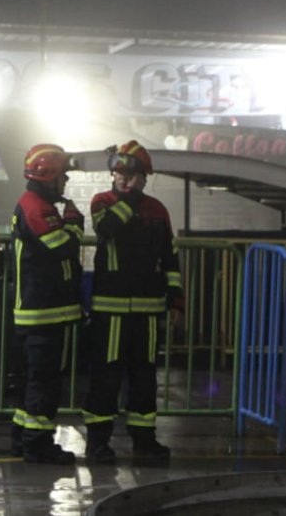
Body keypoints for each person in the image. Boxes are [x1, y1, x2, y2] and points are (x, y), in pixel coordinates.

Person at [82, 140, 183, 465]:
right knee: (106, 376)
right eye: (119, 173)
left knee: (144, 377)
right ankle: (98, 442)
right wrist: (130, 199)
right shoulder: (103, 202)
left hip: (149, 309)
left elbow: (170, 257)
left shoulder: (157, 210)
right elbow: (108, 227)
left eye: (131, 174)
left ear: (144, 176)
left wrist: (176, 299)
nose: (123, 179)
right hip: (109, 308)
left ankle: (145, 441)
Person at [10, 143, 85, 465]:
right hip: (44, 313)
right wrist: (74, 224)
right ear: (48, 175)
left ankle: (23, 437)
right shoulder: (36, 207)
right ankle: (38, 445)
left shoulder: (35, 203)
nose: (65, 180)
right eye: (63, 174)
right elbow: (62, 247)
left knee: (34, 380)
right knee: (45, 382)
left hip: (41, 311)